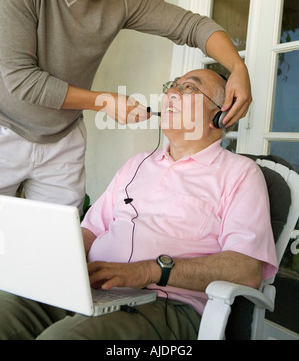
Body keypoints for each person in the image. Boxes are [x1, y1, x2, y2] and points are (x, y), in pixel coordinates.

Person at [0, 0, 252, 211]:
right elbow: (21, 80)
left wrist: (238, 68)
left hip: (62, 140)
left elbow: (194, 26)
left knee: (57, 244)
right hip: (4, 127)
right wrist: (102, 101)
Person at [0, 68, 277, 340]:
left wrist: (146, 271)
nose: (171, 93)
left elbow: (246, 269)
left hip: (167, 305)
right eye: (172, 85)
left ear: (219, 115)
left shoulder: (240, 173)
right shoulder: (138, 162)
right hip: (90, 290)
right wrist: (59, 266)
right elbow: (90, 230)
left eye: (189, 87)